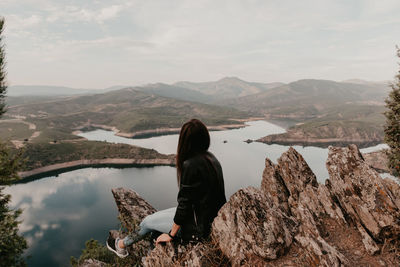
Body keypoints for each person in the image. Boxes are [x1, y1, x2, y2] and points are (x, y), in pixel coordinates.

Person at [106, 119, 226, 258]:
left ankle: (120, 245)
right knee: (153, 228)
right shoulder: (211, 158)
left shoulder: (190, 164)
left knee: (147, 223)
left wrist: (171, 234)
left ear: (185, 140)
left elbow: (184, 204)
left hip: (197, 227)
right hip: (208, 218)